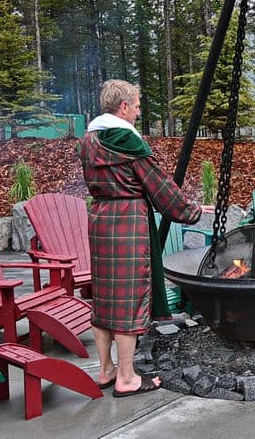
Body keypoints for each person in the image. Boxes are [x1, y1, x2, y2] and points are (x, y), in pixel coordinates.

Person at [80, 79, 201, 397]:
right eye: (135, 106)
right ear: (123, 107)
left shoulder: (89, 138)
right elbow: (160, 188)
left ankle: (105, 370)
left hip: (100, 220)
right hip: (128, 224)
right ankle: (127, 377)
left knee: (104, 300)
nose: (137, 111)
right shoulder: (125, 139)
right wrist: (192, 211)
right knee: (127, 302)